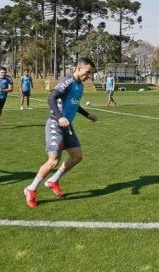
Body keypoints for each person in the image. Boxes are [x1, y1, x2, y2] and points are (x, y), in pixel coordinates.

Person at [24, 57, 98, 208]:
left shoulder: (80, 86)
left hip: (67, 125)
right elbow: (51, 98)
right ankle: (30, 189)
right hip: (55, 124)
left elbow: (74, 104)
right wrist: (60, 117)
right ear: (79, 68)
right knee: (53, 160)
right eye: (87, 72)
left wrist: (87, 115)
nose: (88, 76)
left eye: (91, 73)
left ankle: (53, 180)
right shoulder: (68, 81)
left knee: (77, 156)